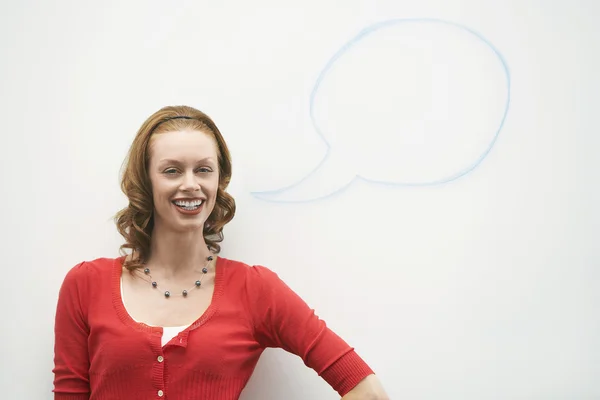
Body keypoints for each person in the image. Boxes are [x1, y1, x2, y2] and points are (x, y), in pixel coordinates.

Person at [52, 105, 389, 400]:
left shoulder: (254, 288)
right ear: (146, 181)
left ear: (219, 181)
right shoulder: (85, 285)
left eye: (203, 169)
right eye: (172, 170)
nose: (190, 184)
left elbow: (367, 391)